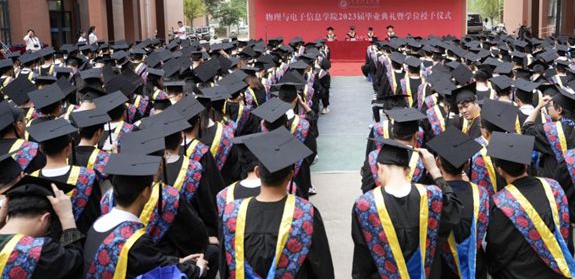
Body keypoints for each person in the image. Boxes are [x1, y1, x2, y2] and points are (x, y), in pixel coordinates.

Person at [219, 127, 334, 278]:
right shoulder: (306, 214)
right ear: (290, 176)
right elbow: (322, 268)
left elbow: (225, 266)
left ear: (258, 172)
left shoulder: (232, 214)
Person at [352, 138, 461, 278]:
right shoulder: (432, 196)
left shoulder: (365, 205)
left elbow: (362, 259)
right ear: (408, 170)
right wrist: (434, 171)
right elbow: (454, 212)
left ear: (380, 168)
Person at [83, 154, 207, 278]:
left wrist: (179, 261)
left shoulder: (97, 225)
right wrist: (198, 269)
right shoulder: (135, 240)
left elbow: (151, 261)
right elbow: (160, 270)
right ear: (146, 192)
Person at [485, 132, 575, 279]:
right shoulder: (553, 186)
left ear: (499, 170)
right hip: (559, 269)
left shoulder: (500, 203)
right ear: (526, 164)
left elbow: (498, 254)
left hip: (519, 274)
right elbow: (565, 228)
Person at [426, 125, 489, 279]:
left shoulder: (432, 197)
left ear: (437, 162)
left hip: (442, 267)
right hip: (474, 264)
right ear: (466, 164)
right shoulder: (481, 193)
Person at [0, 175, 84, 278]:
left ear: (6, 216)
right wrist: (66, 217)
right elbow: (74, 260)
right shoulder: (37, 250)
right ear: (45, 219)